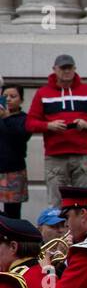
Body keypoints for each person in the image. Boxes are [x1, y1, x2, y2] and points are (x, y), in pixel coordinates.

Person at [26, 55, 87, 207]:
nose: (67, 71)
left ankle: (84, 231)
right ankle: (58, 230)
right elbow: (30, 123)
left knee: (84, 202)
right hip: (55, 156)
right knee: (56, 202)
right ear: (55, 70)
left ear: (75, 69)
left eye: (69, 67)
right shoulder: (43, 93)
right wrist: (49, 126)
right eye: (63, 68)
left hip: (82, 155)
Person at [0, 85, 30, 219]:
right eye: (5, 96)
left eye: (13, 96)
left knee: (12, 212)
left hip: (14, 170)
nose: (8, 99)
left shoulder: (24, 119)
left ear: (21, 100)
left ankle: (12, 238)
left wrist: (6, 117)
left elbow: (20, 136)